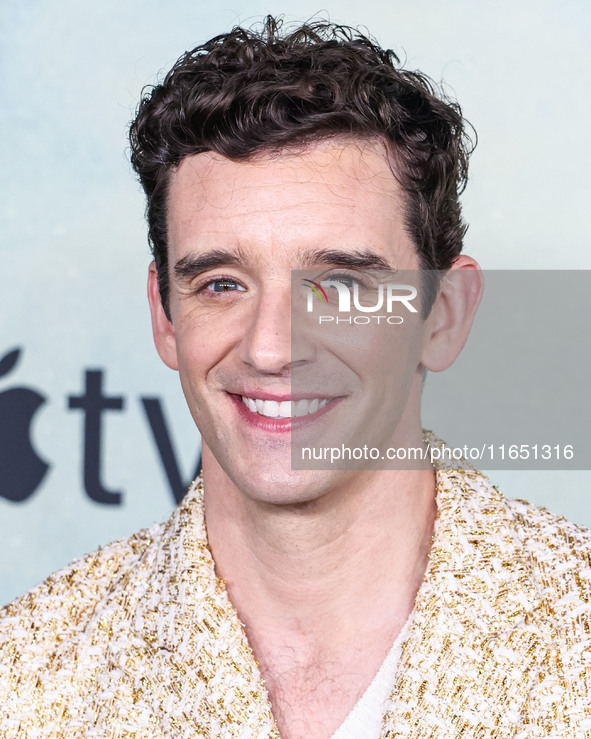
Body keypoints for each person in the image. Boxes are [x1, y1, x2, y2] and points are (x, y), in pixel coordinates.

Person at [1, 16, 589, 739]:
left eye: (339, 284)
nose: (272, 347)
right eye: (220, 284)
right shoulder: (25, 676)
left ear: (442, 315)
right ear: (164, 316)